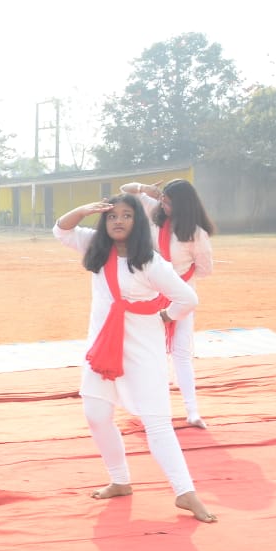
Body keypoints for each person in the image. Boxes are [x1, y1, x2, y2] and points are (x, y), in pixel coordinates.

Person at [53, 194, 216, 523]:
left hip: (143, 349)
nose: (118, 221)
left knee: (156, 422)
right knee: (96, 415)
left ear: (137, 221)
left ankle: (185, 492)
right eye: (112, 216)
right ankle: (120, 480)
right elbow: (60, 230)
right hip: (103, 347)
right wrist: (84, 209)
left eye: (127, 215)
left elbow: (187, 298)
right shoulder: (97, 248)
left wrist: (166, 316)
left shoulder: (151, 262)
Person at [122, 179, 215, 428]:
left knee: (180, 352)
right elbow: (124, 190)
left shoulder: (196, 233)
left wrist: (177, 278)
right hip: (150, 294)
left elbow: (205, 269)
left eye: (168, 202)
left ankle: (192, 411)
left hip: (182, 297)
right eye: (162, 200)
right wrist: (145, 189)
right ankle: (147, 407)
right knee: (149, 352)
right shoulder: (155, 212)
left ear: (183, 205)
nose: (163, 205)